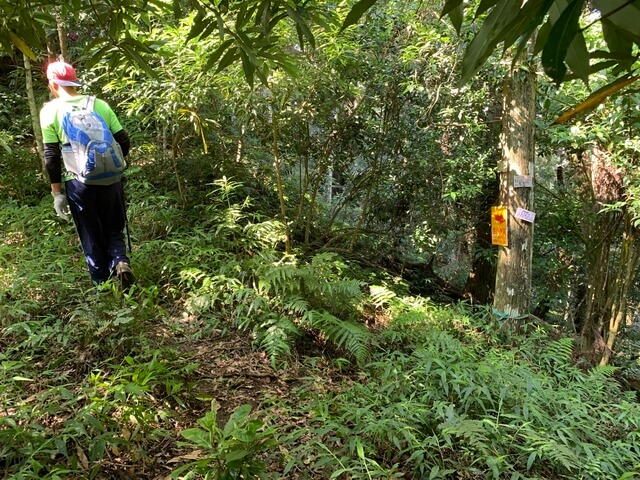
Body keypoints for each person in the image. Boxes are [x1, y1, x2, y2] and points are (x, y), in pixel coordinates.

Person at [40, 61, 135, 289]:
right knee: (113, 227)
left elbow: (51, 157)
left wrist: (57, 193)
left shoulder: (50, 111)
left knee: (91, 233)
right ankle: (121, 262)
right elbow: (123, 140)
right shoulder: (99, 104)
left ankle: (102, 285)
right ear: (74, 82)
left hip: (79, 182)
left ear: (53, 84)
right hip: (111, 180)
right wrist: (113, 166)